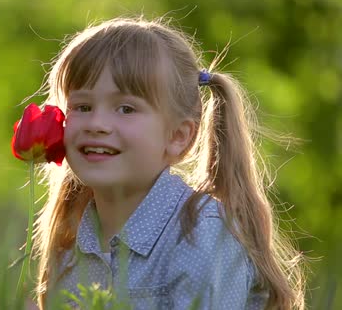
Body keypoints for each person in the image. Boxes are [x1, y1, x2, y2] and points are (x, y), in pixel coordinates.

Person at [31, 17, 305, 309]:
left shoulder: (201, 233)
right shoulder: (70, 244)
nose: (97, 124)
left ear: (178, 136)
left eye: (126, 108)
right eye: (82, 107)